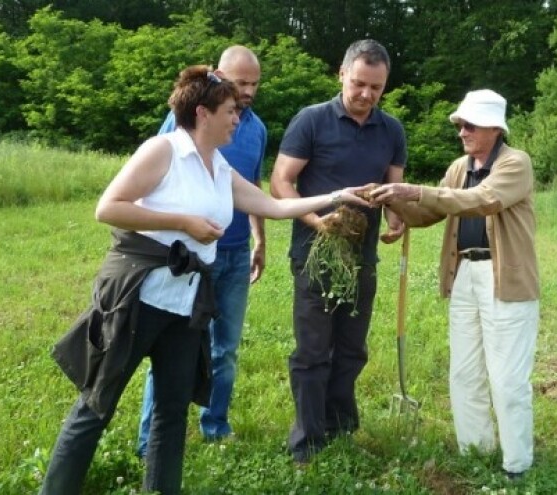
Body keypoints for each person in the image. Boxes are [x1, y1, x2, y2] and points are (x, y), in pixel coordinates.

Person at [41, 64, 370, 495]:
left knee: (172, 411)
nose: (238, 118)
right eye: (230, 110)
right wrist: (183, 222)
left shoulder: (219, 167)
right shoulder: (162, 151)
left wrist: (336, 196)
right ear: (202, 113)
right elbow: (108, 207)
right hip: (138, 298)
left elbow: (271, 206)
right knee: (97, 405)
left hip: (185, 307)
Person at [369, 89, 539, 480]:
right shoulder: (458, 167)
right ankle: (475, 450)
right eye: (460, 124)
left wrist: (416, 191)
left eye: (470, 124)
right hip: (464, 275)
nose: (462, 130)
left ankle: (517, 464)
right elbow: (430, 210)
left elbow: (482, 200)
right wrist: (390, 202)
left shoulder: (516, 163)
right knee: (464, 371)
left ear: (495, 128)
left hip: (506, 279)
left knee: (508, 378)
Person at [269, 39, 407, 464]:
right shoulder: (311, 121)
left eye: (376, 88)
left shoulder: (392, 130)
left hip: (361, 259)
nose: (366, 94)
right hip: (315, 253)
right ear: (342, 74)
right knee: (312, 351)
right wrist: (317, 221)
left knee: (351, 348)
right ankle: (306, 443)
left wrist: (395, 220)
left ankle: (340, 427)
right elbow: (281, 182)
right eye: (360, 83)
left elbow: (394, 191)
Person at [136, 45, 266, 457]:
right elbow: (160, 177)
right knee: (173, 347)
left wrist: (258, 236)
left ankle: (215, 424)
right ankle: (148, 440)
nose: (247, 91)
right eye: (240, 83)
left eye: (254, 84)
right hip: (187, 256)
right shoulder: (189, 122)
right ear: (217, 77)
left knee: (225, 348)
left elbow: (253, 189)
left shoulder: (257, 129)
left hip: (234, 253)